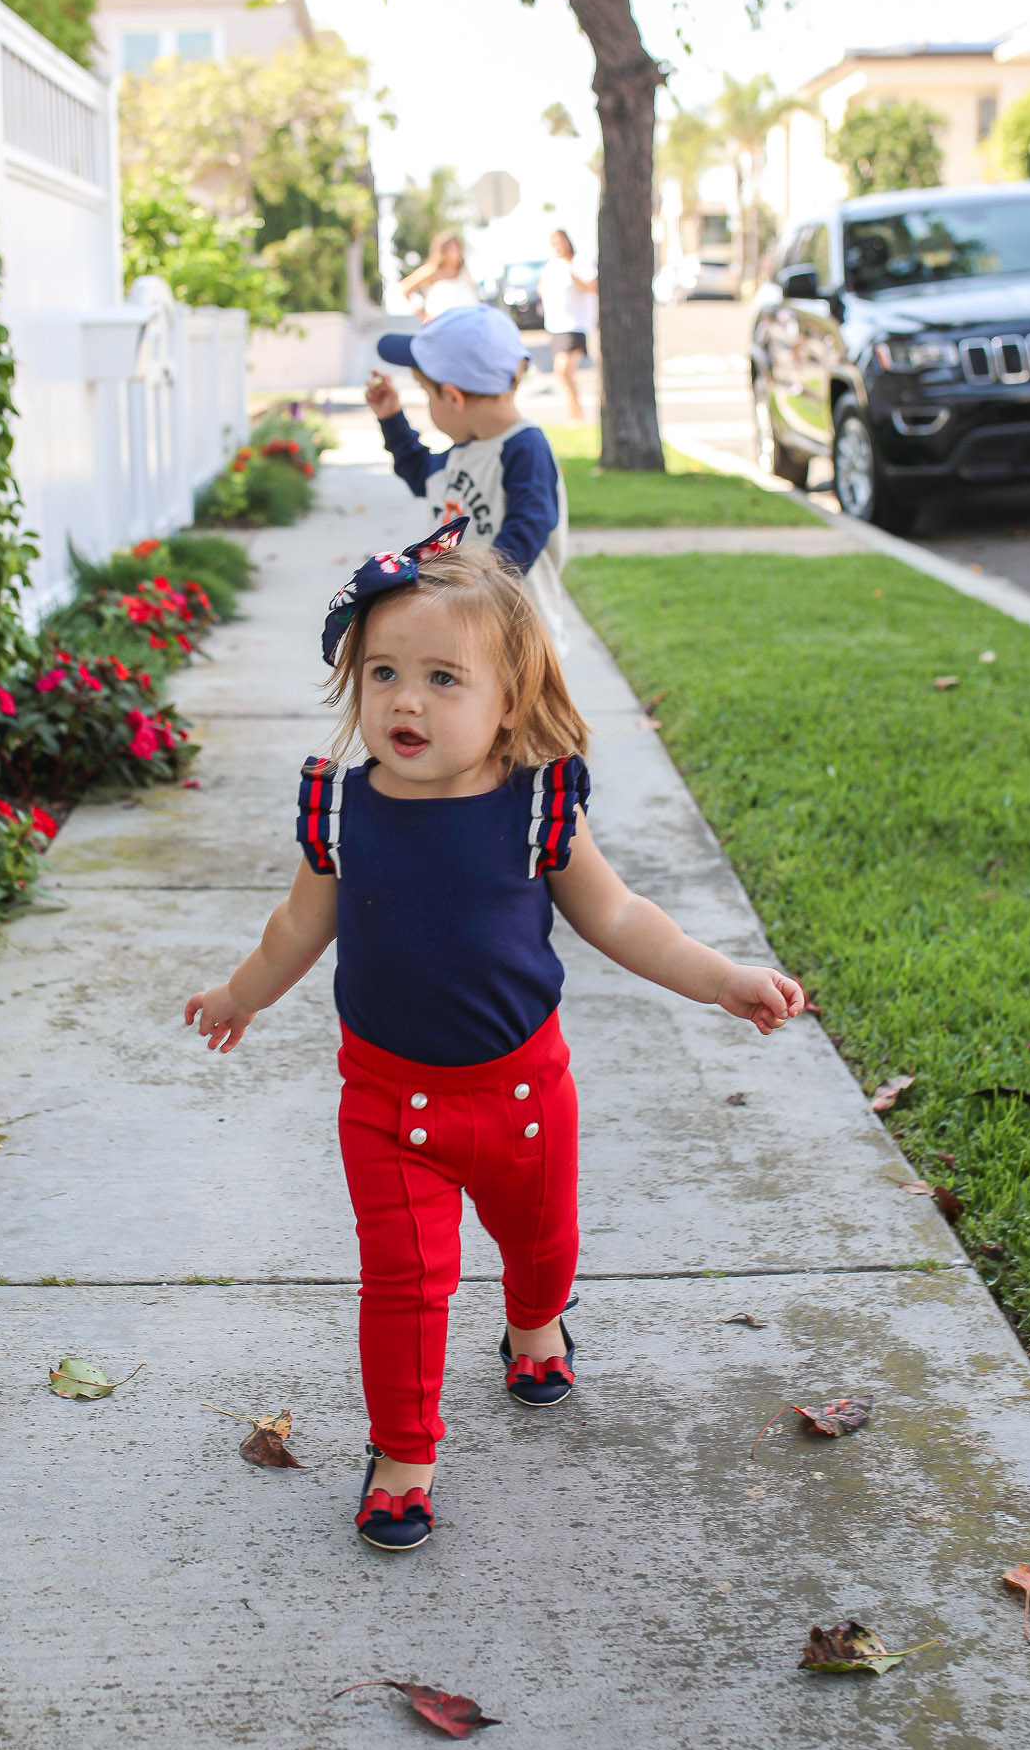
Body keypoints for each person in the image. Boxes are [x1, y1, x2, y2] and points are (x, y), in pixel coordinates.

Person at [184, 532, 804, 1553]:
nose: (405, 703)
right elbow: (298, 927)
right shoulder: (343, 810)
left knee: (541, 1243)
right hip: (387, 1106)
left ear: (510, 698)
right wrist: (241, 993)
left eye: (441, 678)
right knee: (403, 1282)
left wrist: (723, 979)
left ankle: (532, 1324)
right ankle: (402, 1456)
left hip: (524, 1095)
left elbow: (621, 919)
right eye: (383, 673)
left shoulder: (537, 807)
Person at [363, 302, 569, 652]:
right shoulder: (464, 449)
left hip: (516, 639)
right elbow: (420, 474)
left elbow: (522, 539)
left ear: (453, 397)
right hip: (464, 626)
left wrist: (463, 589)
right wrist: (391, 418)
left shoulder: (523, 449)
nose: (429, 404)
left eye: (428, 394)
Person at [538, 229, 598, 424]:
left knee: (563, 370)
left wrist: (573, 275)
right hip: (556, 324)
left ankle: (576, 415)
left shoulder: (579, 262)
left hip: (575, 324)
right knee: (562, 373)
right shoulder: (551, 266)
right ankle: (573, 413)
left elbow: (592, 287)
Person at [399, 230, 481, 319]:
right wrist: (422, 314)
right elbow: (405, 288)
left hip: (467, 320)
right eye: (451, 249)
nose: (455, 252)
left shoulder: (464, 272)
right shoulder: (432, 270)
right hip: (442, 322)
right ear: (443, 251)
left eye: (457, 248)